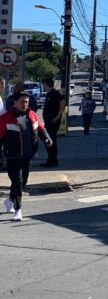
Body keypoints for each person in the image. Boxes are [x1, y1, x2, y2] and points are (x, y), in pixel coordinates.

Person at [0, 91, 53, 221]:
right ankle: (18, 209)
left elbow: (41, 128)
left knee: (23, 182)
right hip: (12, 156)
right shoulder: (5, 118)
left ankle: (10, 200)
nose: (25, 104)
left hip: (28, 155)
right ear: (15, 102)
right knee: (17, 181)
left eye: (27, 102)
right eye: (23, 102)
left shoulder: (32, 115)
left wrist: (47, 138)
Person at [41, 78, 65, 167]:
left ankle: (53, 160)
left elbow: (63, 103)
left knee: (51, 141)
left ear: (47, 85)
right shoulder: (48, 94)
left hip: (53, 122)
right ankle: (50, 159)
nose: (43, 86)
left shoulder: (56, 93)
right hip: (48, 122)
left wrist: (58, 116)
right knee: (47, 140)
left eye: (44, 85)